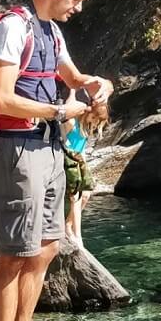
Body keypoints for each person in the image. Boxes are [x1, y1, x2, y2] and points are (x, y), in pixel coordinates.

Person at [0, 0, 114, 321]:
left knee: (45, 249)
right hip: (18, 149)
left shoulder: (52, 32)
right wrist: (59, 110)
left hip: (50, 149)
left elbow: (72, 76)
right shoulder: (13, 28)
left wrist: (96, 85)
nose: (77, 7)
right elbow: (2, 100)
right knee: (15, 253)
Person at [62, 88, 109, 248]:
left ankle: (67, 225)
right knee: (76, 197)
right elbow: (62, 136)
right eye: (94, 117)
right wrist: (72, 91)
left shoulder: (86, 126)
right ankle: (77, 236)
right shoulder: (72, 122)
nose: (95, 122)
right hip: (68, 159)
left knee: (87, 195)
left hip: (79, 160)